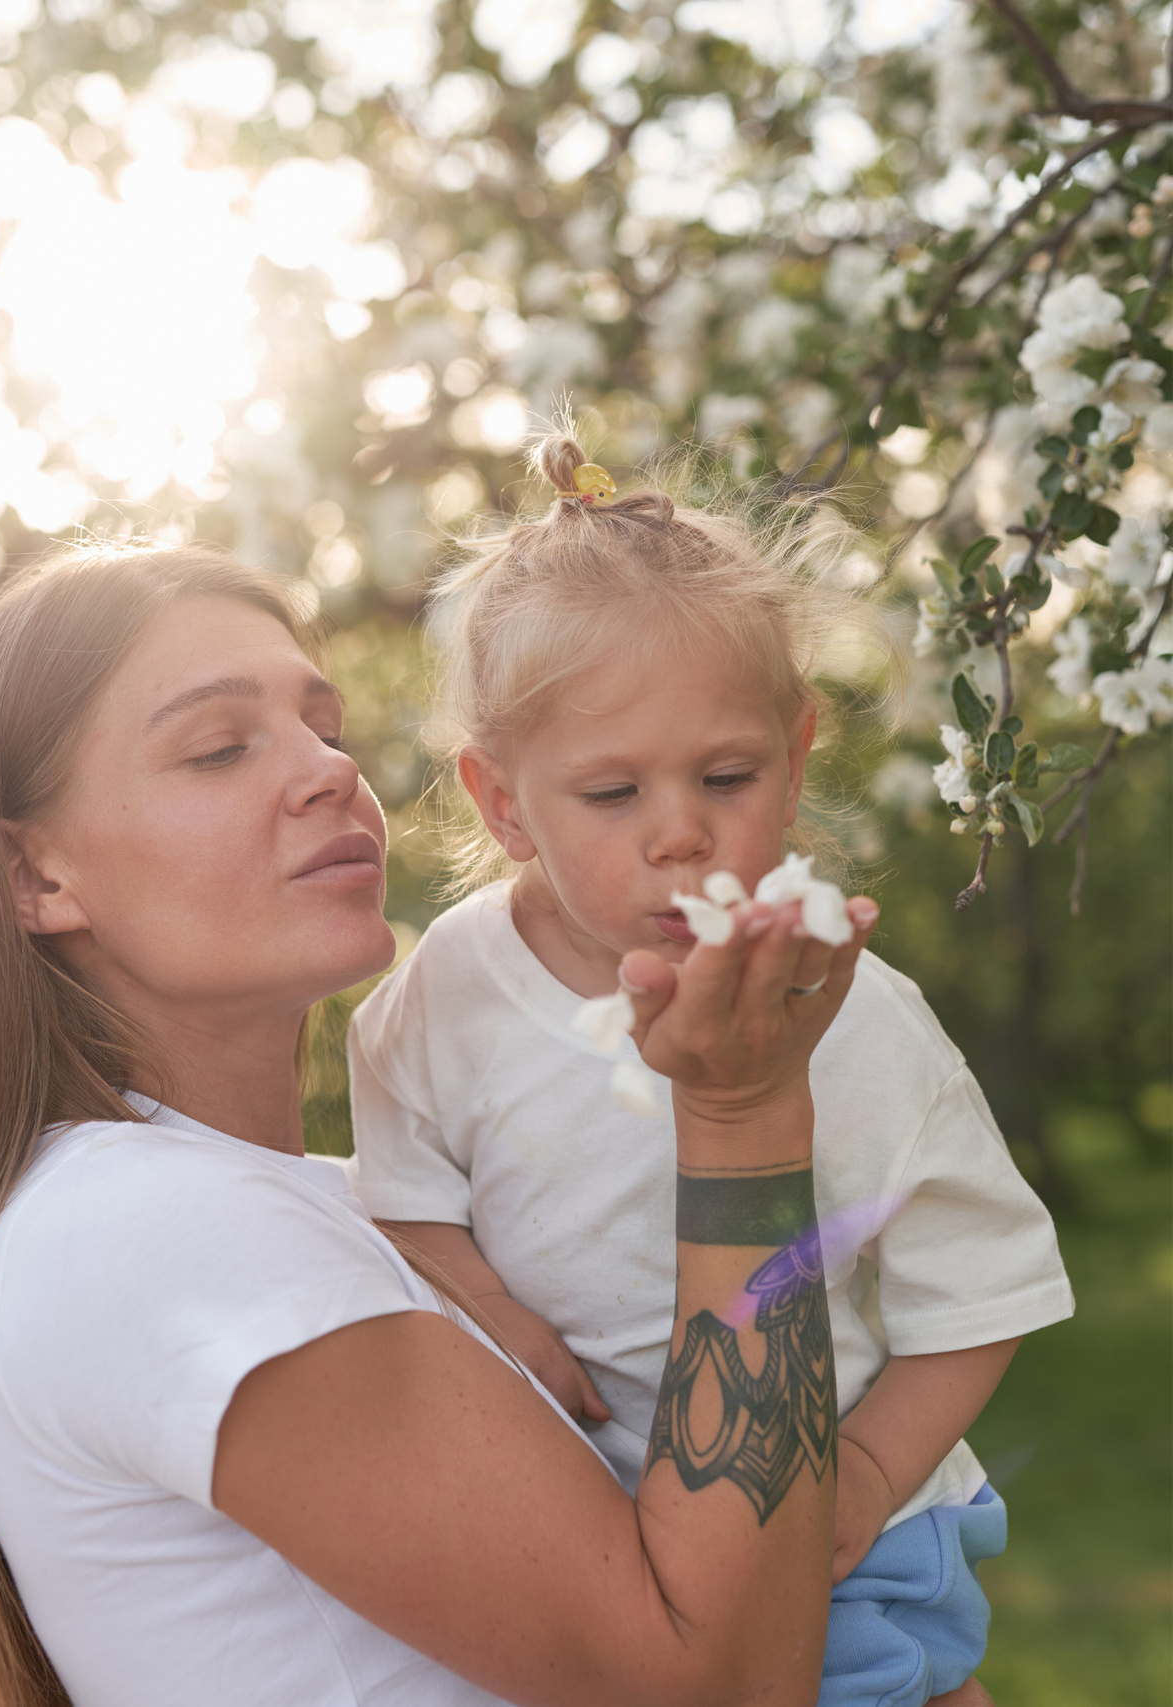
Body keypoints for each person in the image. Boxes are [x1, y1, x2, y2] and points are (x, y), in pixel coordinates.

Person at [0, 542, 877, 1707]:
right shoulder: (147, 1226)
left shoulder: (325, 1206)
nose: (326, 772)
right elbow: (715, 1683)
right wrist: (740, 1114)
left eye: (325, 726)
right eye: (219, 748)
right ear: (33, 877)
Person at [349, 435, 1071, 1707]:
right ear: (504, 803)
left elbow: (984, 1292)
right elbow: (405, 1202)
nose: (679, 830)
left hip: (836, 1551)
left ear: (793, 761)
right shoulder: (442, 998)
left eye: (725, 777)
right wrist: (496, 1321)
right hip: (595, 1535)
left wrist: (862, 1476)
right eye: (612, 792)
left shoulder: (854, 1017)